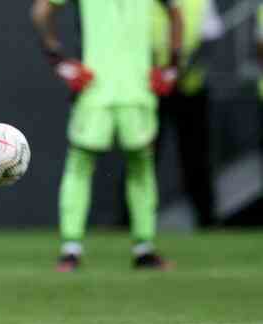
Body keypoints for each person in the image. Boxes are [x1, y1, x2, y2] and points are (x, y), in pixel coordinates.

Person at [31, 0, 183, 271]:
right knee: (140, 168)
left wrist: (57, 58)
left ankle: (71, 250)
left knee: (81, 167)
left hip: (101, 89)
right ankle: (143, 249)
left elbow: (41, 11)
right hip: (129, 89)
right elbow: (176, 13)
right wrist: (172, 65)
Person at [152, 0, 224, 228]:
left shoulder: (200, 2)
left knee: (196, 157)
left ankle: (207, 220)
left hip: (190, 89)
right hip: (152, 89)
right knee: (142, 156)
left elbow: (209, 38)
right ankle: (129, 221)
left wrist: (180, 72)